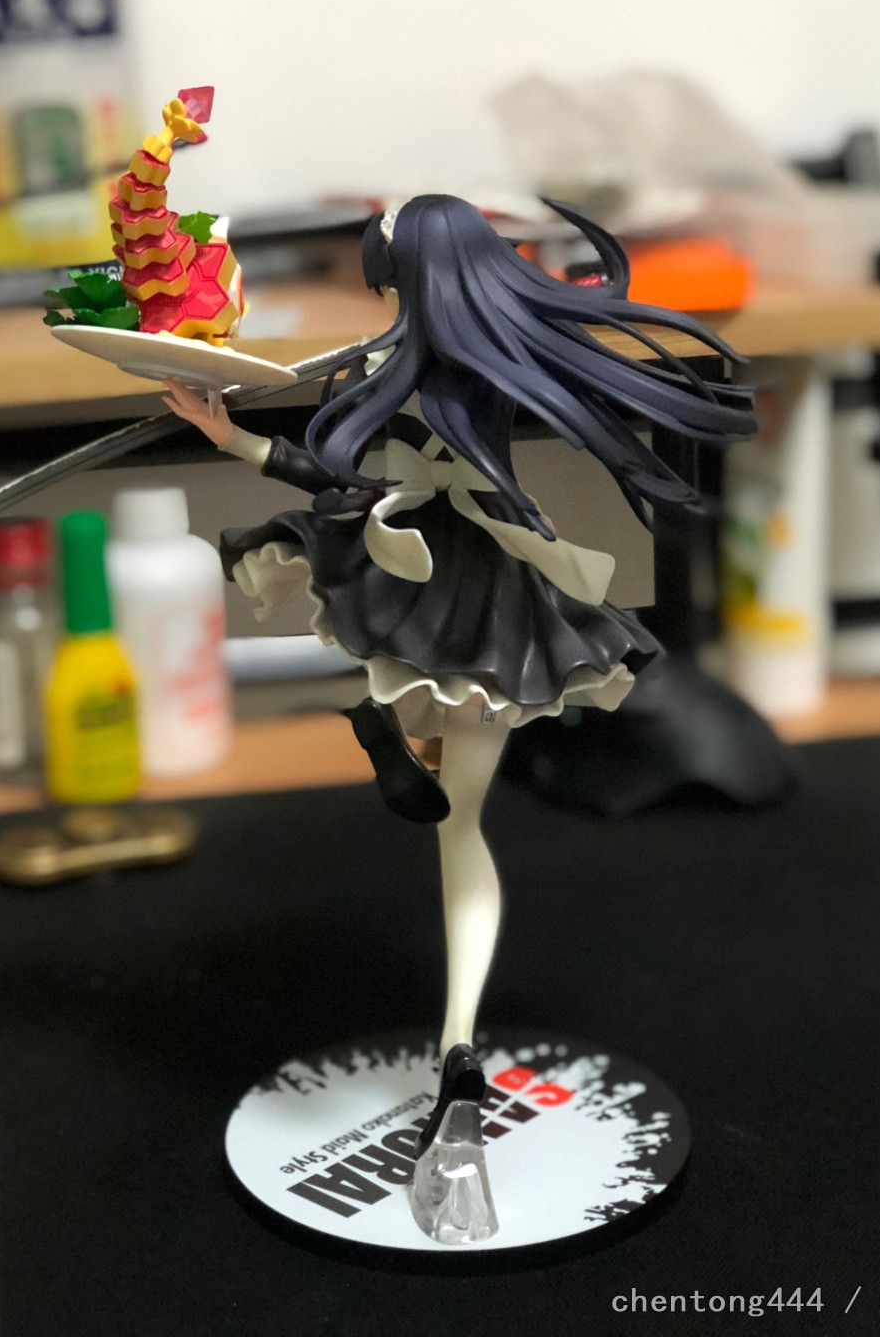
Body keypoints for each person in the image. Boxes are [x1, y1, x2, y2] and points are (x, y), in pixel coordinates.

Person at [164, 192, 753, 1227]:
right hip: (481, 588)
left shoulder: (400, 373)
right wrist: (234, 424)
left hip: (424, 578)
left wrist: (232, 438)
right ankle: (457, 1040)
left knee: (400, 698)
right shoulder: (472, 364)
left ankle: (390, 746)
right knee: (461, 821)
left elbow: (331, 476)